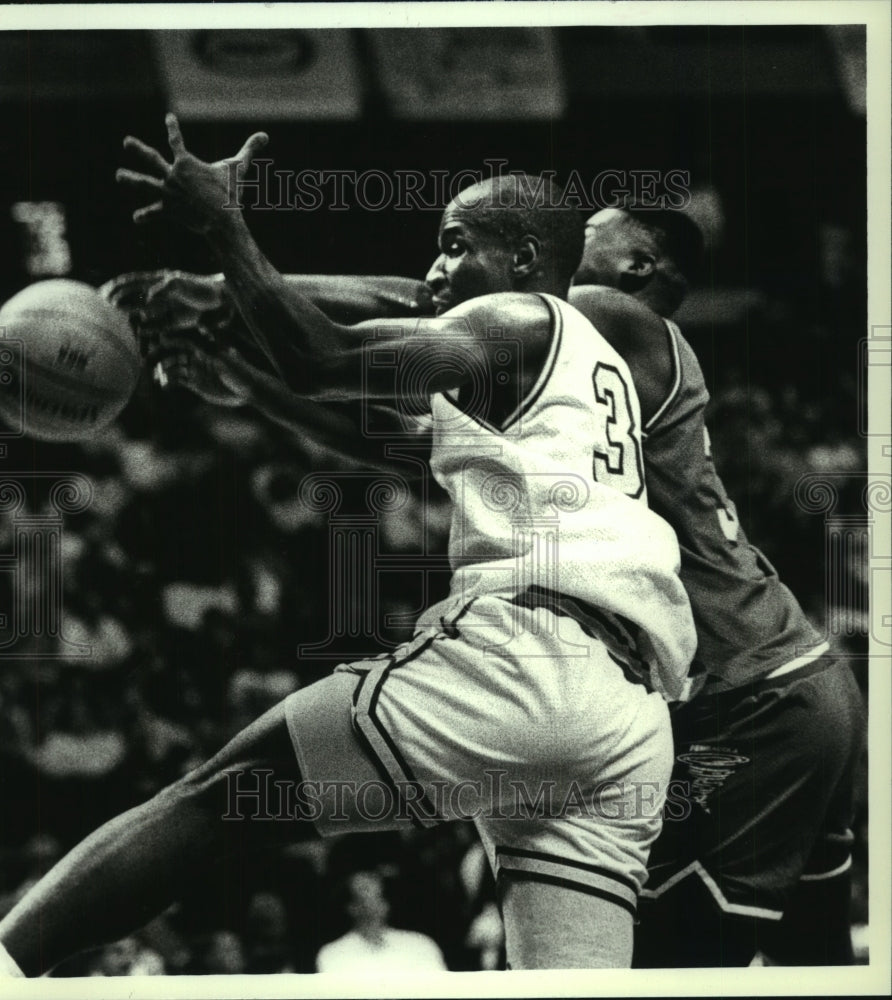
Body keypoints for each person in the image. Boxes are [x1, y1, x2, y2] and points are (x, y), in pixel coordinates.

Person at [0, 117, 696, 975]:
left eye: (456, 245)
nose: (434, 271)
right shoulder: (577, 369)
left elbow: (324, 357)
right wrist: (240, 378)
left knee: (217, 802)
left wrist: (225, 228)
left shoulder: (518, 319)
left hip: (533, 663)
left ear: (530, 262)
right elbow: (382, 442)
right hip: (631, 714)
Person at [135, 204, 864, 966]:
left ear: (637, 267)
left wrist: (224, 289)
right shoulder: (579, 385)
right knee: (818, 965)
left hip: (752, 698)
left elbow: (425, 306)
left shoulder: (604, 316)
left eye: (582, 238)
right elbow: (410, 447)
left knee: (661, 966)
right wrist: (250, 382)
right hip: (792, 684)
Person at [315, 870, 447, 973]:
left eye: (378, 886)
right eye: (365, 888)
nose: (376, 890)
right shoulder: (333, 954)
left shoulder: (420, 945)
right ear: (351, 907)